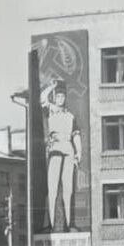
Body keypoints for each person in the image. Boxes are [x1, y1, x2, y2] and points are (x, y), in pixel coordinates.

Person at [41, 80, 81, 232]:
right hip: (55, 148)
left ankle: (70, 224)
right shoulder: (50, 110)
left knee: (68, 189)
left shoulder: (70, 116)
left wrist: (79, 153)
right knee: (52, 188)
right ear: (54, 97)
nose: (60, 99)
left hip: (68, 147)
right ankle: (50, 224)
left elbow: (76, 135)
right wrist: (51, 85)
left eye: (62, 96)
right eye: (58, 96)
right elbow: (42, 99)